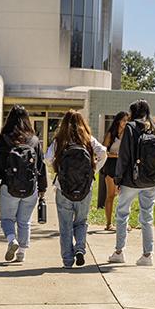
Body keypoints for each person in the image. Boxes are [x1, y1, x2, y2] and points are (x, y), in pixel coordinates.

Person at [45, 109, 106, 268]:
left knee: (65, 226)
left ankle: (67, 260)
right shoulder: (88, 139)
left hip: (63, 188)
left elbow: (47, 158)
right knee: (81, 221)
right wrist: (93, 171)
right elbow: (103, 153)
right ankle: (80, 248)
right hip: (85, 188)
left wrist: (56, 171)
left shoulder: (60, 140)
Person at [107, 99, 155, 266]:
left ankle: (119, 252)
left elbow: (124, 156)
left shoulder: (131, 127)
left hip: (131, 180)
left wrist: (118, 178)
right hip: (151, 179)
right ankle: (148, 255)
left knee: (122, 214)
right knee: (147, 216)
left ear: (133, 113)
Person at [0, 105, 45, 263]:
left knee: (7, 219)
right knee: (24, 221)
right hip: (30, 188)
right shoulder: (34, 140)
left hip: (8, 187)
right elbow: (41, 165)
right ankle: (21, 254)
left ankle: (12, 240)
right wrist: (43, 187)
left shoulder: (5, 138)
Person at [98, 110, 127, 231]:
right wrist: (115, 155)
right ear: (119, 121)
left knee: (123, 197)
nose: (126, 123)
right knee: (110, 195)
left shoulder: (127, 134)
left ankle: (123, 223)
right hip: (110, 165)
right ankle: (109, 224)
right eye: (124, 120)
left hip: (122, 166)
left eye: (127, 121)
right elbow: (103, 152)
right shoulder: (111, 134)